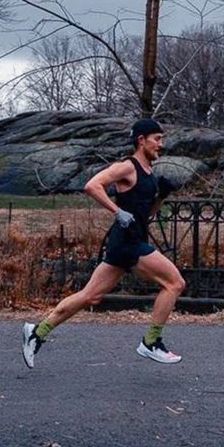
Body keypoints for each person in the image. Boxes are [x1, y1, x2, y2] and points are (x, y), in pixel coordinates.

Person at [21, 118, 186, 369]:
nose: (160, 144)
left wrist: (161, 196)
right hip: (128, 243)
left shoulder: (149, 174)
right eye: (157, 138)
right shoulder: (127, 167)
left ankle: (37, 332)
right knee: (174, 283)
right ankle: (151, 342)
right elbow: (92, 185)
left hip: (127, 241)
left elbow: (147, 215)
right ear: (141, 140)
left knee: (90, 296)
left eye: (161, 139)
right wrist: (116, 211)